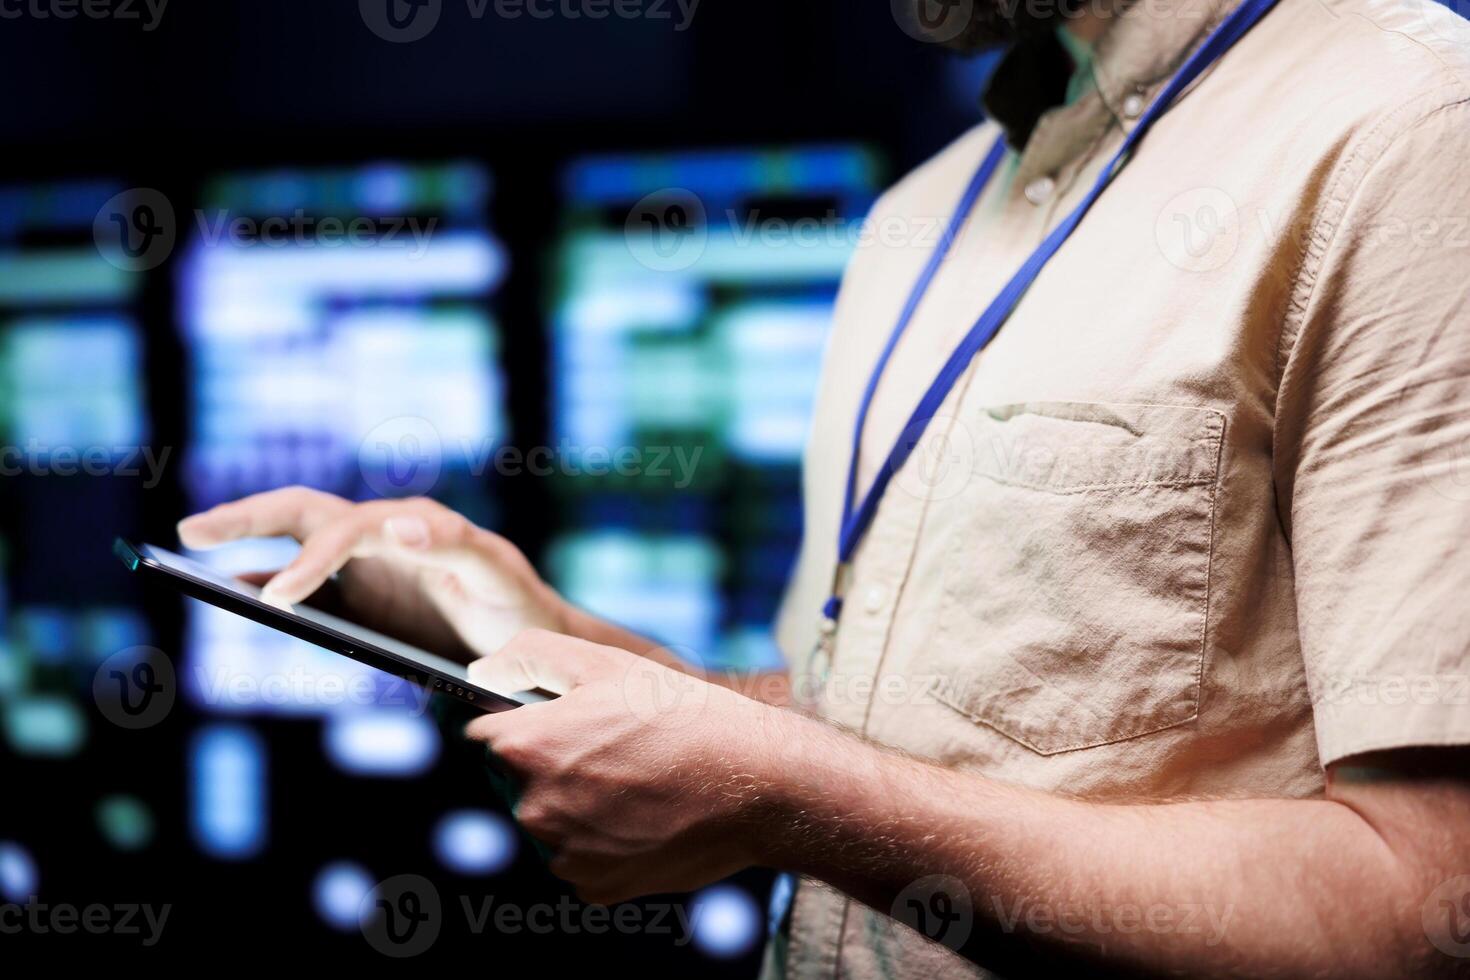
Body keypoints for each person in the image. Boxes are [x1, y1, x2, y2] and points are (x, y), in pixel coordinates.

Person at [177, 0, 1470, 974]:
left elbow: (1416, 905)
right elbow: (907, 726)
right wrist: (534, 633)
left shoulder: (1408, 134)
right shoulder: (924, 210)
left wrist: (781, 798)